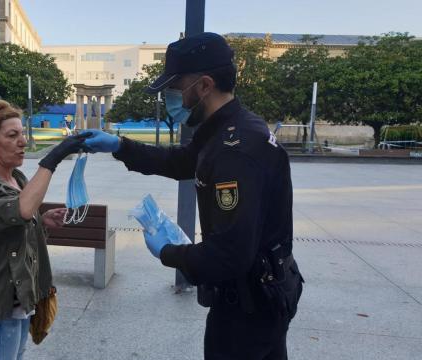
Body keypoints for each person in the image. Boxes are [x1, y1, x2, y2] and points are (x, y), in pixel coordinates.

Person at [82, 33, 304, 360]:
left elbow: (230, 254)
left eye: (176, 87)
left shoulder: (236, 150)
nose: (173, 98)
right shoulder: (229, 129)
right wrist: (120, 146)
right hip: (264, 293)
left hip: (247, 308)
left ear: (203, 86)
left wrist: (171, 253)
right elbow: (182, 161)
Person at [0, 100, 88, 360]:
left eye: (22, 133)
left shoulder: (16, 178)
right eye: (12, 135)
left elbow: (15, 224)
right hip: (0, 300)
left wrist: (42, 221)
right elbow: (19, 210)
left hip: (20, 296)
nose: (23, 141)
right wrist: (52, 160)